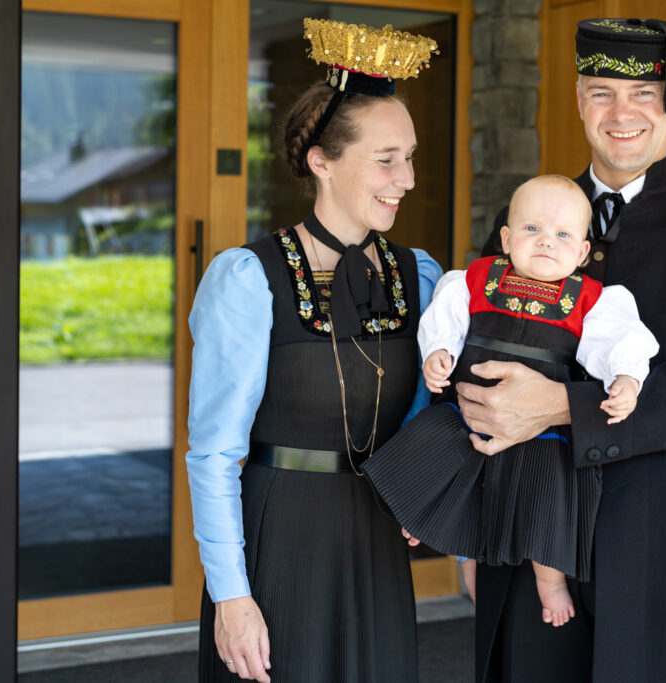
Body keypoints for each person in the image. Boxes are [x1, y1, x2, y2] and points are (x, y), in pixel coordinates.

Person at [459, 18, 666, 683]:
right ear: (580, 101)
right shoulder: (529, 213)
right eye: (602, 92)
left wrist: (560, 407)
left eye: (643, 94)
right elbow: (480, 349)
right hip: (535, 534)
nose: (622, 113)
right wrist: (469, 515)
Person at [185, 19, 441, 683]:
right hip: (280, 537)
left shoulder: (421, 274)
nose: (407, 178)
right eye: (387, 158)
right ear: (321, 160)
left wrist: (425, 487)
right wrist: (231, 596)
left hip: (377, 535)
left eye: (410, 156)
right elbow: (214, 452)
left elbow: (425, 410)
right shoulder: (247, 278)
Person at [362, 174, 657, 628]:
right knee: (436, 464)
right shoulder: (477, 279)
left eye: (562, 235)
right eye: (532, 229)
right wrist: (440, 352)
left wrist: (627, 379)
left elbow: (622, 342)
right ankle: (427, 520)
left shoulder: (591, 300)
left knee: (545, 503)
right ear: (505, 238)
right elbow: (446, 318)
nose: (545, 242)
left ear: (581, 252)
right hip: (470, 413)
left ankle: (550, 581)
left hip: (541, 431)